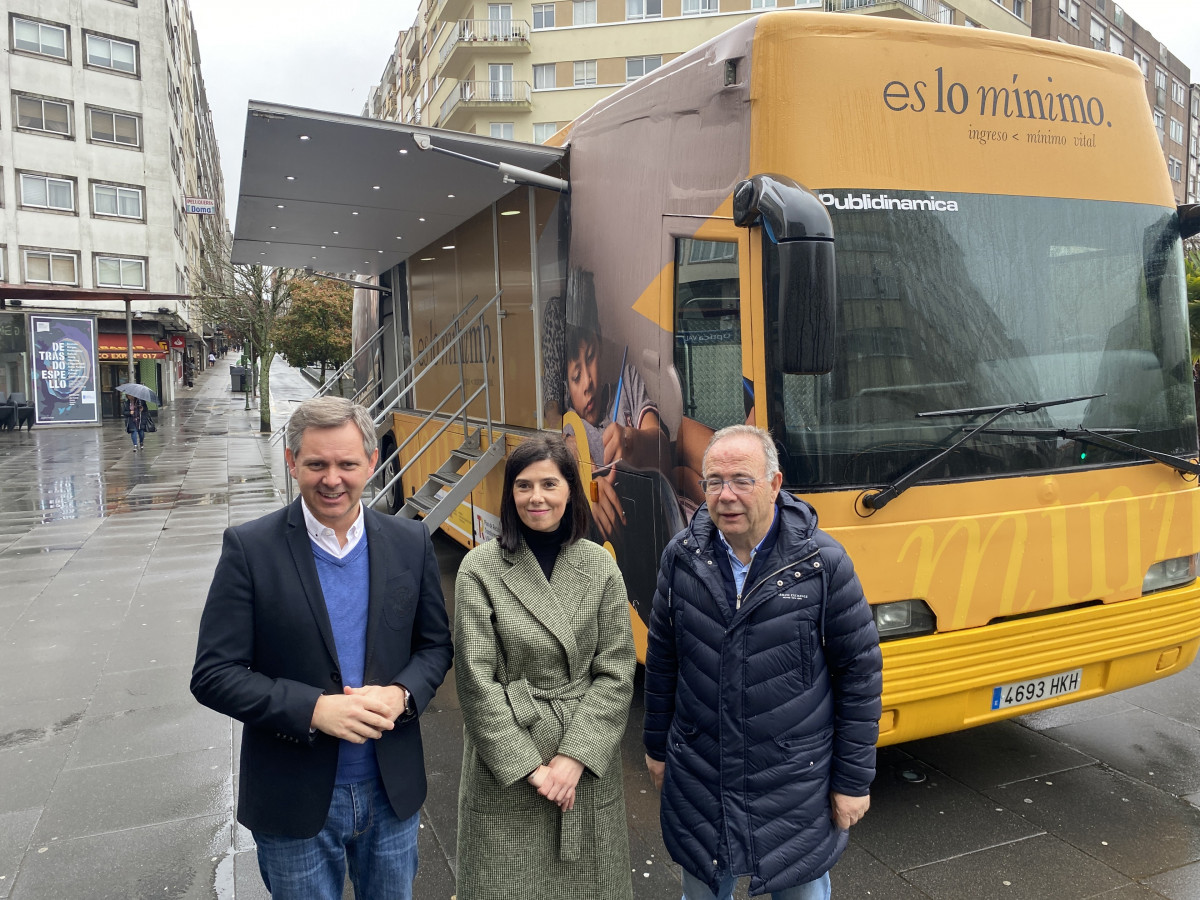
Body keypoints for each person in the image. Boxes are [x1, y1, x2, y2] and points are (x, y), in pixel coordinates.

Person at [191, 396, 452, 900]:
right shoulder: (250, 549)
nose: (332, 478)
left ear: (371, 464)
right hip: (295, 800)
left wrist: (403, 694)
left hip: (390, 793)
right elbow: (214, 674)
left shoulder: (409, 542)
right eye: (316, 464)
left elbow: (435, 647)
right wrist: (313, 709)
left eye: (347, 464)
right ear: (292, 463)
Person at [643, 425, 883, 900]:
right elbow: (663, 658)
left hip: (795, 785)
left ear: (775, 484)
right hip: (701, 777)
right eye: (713, 481)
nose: (726, 495)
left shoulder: (823, 563)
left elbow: (859, 675)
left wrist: (853, 780)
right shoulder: (682, 558)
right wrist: (655, 748)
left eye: (741, 480)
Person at [453, 433, 636, 900]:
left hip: (583, 768)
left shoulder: (599, 566)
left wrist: (573, 758)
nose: (537, 497)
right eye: (524, 485)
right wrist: (534, 769)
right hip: (509, 769)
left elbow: (616, 670)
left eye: (550, 484)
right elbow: (477, 681)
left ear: (571, 490)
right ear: (510, 494)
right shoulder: (480, 569)